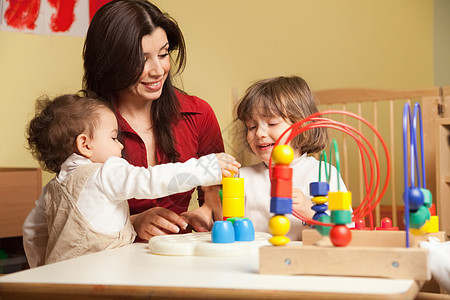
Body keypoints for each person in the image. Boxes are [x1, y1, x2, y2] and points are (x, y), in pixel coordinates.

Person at [23, 0, 226, 249]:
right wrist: (132, 222)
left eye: (163, 54)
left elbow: (217, 196)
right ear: (111, 63)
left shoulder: (198, 114)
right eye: (141, 60)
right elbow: (73, 211)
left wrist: (205, 213)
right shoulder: (84, 126)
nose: (158, 70)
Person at [24, 93, 239, 265]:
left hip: (58, 280)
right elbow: (152, 180)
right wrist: (206, 168)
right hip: (99, 279)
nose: (121, 145)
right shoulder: (106, 173)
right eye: (113, 137)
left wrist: (42, 268)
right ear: (85, 144)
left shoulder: (53, 188)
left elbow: (32, 232)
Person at [235, 76, 346, 241]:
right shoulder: (242, 177)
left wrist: (310, 210)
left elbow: (343, 230)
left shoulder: (324, 174)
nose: (259, 133)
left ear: (302, 125)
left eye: (272, 123)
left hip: (302, 260)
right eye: (252, 126)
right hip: (253, 260)